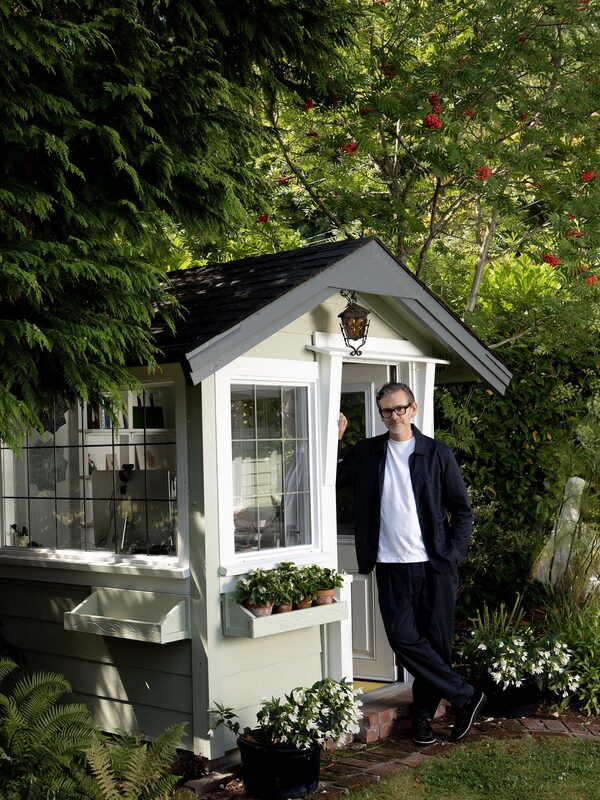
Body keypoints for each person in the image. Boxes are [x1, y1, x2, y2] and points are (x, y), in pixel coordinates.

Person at [336, 381, 486, 745]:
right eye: (387, 410)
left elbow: (462, 510)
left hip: (434, 565)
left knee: (436, 646)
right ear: (381, 413)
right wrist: (335, 439)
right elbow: (332, 479)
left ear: (413, 409)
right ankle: (465, 695)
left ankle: (422, 719)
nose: (394, 416)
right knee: (403, 639)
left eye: (400, 408)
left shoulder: (437, 453)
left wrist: (453, 554)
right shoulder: (368, 452)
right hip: (389, 563)